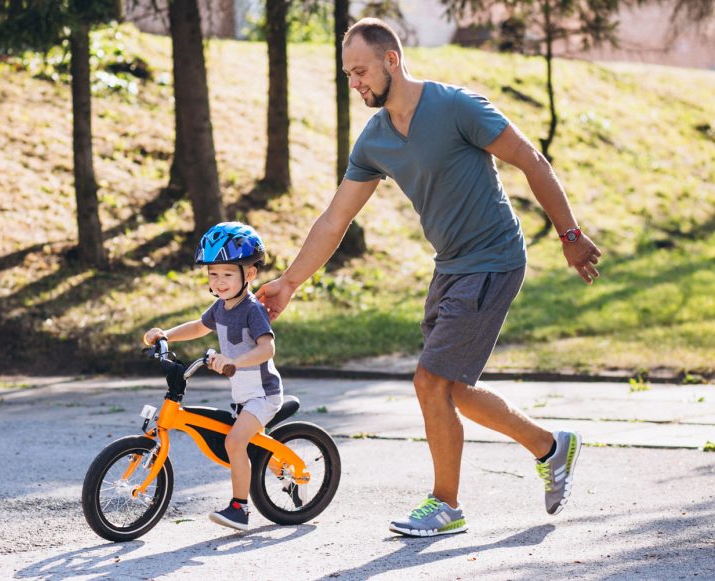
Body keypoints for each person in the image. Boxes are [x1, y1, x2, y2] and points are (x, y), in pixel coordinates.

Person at [256, 17, 602, 537]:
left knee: (430, 381)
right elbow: (335, 219)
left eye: (361, 71)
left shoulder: (456, 107)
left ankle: (446, 505)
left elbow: (530, 160)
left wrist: (570, 236)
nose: (356, 83)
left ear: (392, 60)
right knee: (452, 389)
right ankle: (550, 447)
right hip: (451, 266)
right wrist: (290, 281)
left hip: (494, 257)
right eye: (349, 75)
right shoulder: (374, 140)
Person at [143, 222, 283, 532]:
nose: (219, 282)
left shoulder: (252, 310)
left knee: (235, 442)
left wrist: (234, 360)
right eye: (213, 274)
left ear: (249, 274)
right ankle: (271, 470)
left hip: (264, 393)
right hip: (243, 395)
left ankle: (240, 509)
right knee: (240, 442)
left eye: (227, 274)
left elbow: (267, 348)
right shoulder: (221, 307)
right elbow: (198, 326)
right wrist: (166, 334)